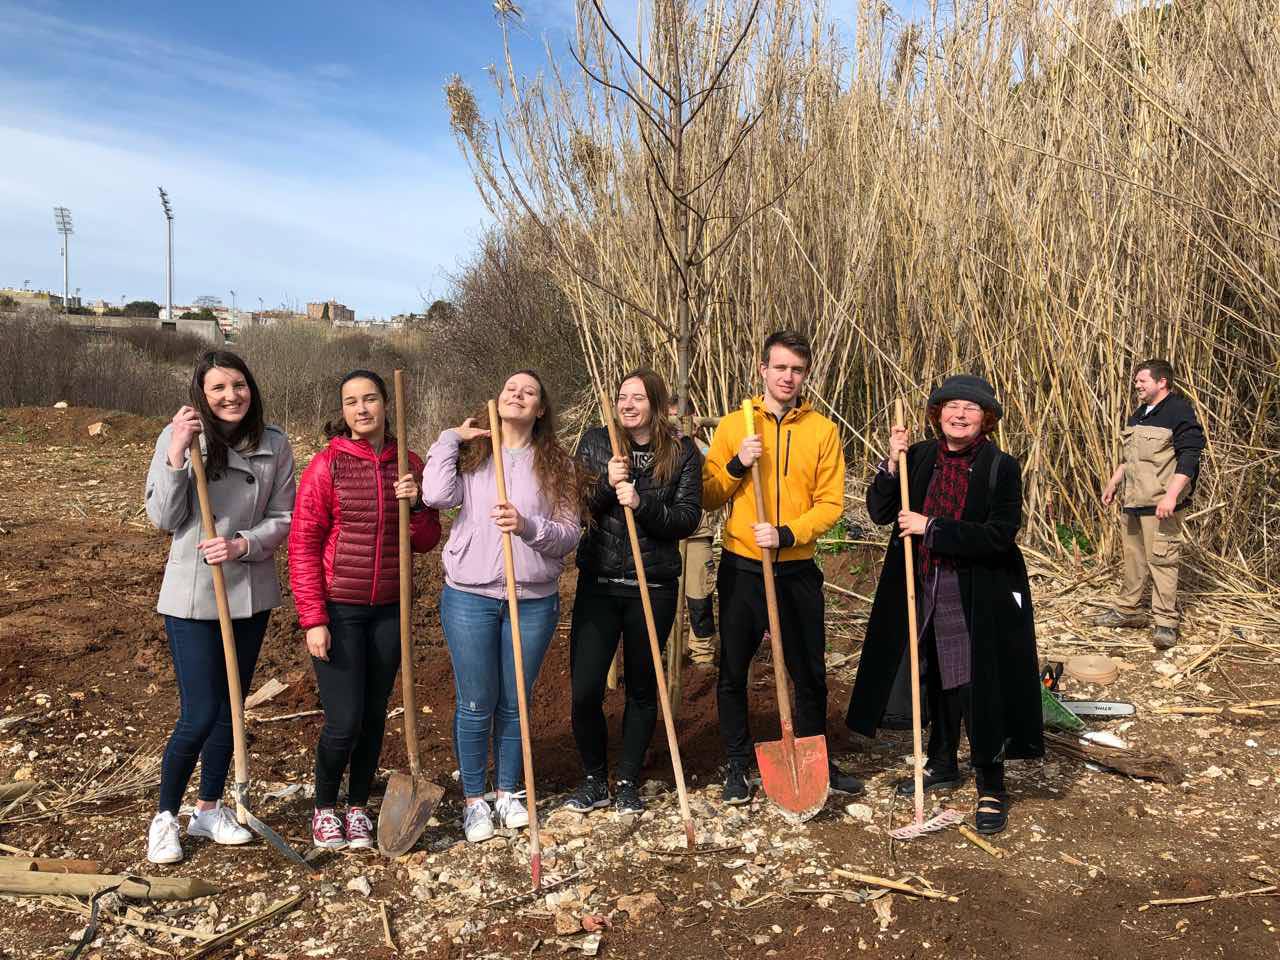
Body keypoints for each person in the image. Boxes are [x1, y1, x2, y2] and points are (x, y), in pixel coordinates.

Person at [846, 375, 1043, 835]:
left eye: (970, 409)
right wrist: (890, 467)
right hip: (919, 582)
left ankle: (992, 785)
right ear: (938, 414)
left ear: (985, 419)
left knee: (975, 683)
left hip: (976, 589)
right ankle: (942, 761)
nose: (959, 414)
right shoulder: (916, 458)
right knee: (930, 672)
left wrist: (931, 527)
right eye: (951, 406)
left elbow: (999, 535)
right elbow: (880, 513)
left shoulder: (1001, 466)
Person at [143, 351, 296, 864]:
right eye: (217, 388)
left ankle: (208, 808)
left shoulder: (274, 443)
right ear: (201, 395)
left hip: (248, 588)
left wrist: (241, 545)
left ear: (250, 388)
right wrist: (177, 455)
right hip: (193, 594)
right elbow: (163, 517)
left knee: (233, 708)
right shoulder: (183, 438)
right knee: (202, 710)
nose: (231, 395)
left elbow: (284, 517)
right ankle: (166, 815)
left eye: (238, 385)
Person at [421, 370, 581, 842]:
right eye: (511, 388)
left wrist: (529, 527)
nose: (517, 394)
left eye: (529, 391)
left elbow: (568, 535)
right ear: (498, 398)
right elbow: (435, 495)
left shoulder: (559, 466)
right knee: (475, 701)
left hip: (531, 600)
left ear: (540, 410)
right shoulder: (472, 456)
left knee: (515, 702)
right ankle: (475, 801)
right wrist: (450, 437)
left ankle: (508, 791)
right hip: (469, 595)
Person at [701, 330, 860, 805]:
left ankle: (816, 755)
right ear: (763, 370)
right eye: (780, 368)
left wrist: (788, 532)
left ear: (804, 375)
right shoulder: (735, 425)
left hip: (795, 568)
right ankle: (736, 763)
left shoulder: (822, 431)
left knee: (809, 671)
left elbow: (831, 503)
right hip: (742, 568)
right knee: (733, 669)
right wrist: (736, 463)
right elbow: (707, 494)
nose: (788, 377)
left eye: (797, 370)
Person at [289, 370, 441, 849]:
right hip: (341, 608)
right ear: (344, 411)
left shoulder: (408, 463)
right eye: (352, 401)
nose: (362, 409)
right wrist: (313, 618)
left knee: (375, 714)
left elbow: (425, 542)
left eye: (370, 399)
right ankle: (324, 807)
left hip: (389, 610)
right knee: (344, 718)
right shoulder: (327, 465)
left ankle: (358, 807)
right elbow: (303, 544)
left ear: (385, 405)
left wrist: (416, 505)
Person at [562, 370, 702, 815]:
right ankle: (592, 779)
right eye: (622, 396)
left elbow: (686, 520)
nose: (627, 404)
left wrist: (642, 504)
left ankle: (626, 780)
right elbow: (576, 505)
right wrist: (607, 482)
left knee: (643, 687)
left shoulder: (681, 452)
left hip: (653, 586)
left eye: (637, 398)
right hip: (599, 585)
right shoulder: (596, 442)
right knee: (585, 690)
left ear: (656, 405)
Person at [1093, 360, 1205, 649]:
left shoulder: (1178, 411)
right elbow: (1129, 457)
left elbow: (1190, 457)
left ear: (1162, 382)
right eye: (1137, 381)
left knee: (1162, 561)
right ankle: (1127, 611)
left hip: (1160, 505)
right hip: (1133, 501)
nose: (1137, 385)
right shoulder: (1140, 413)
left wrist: (1171, 496)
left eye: (1142, 381)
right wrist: (1113, 482)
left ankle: (1166, 623)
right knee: (1133, 560)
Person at [667, 394, 719, 665]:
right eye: (672, 418)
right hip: (665, 535)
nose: (677, 426)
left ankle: (703, 654)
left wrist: (691, 443)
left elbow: (710, 477)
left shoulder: (705, 452)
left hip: (697, 533)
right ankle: (669, 651)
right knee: (663, 599)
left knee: (699, 598)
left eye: (682, 420)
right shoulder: (660, 450)